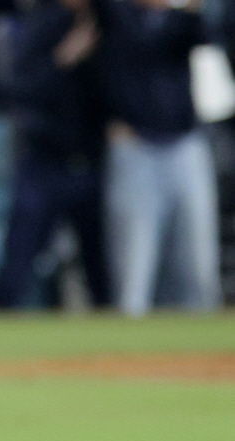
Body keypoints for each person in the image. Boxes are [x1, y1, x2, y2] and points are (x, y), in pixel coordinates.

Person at [92, 0, 221, 316]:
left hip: (186, 146)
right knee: (134, 276)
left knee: (199, 271)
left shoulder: (180, 21)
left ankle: (201, 359)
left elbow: (207, 33)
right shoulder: (116, 14)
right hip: (134, 147)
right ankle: (126, 359)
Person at [0, 0, 110, 309]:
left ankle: (111, 353)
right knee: (17, 266)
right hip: (42, 163)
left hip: (91, 162)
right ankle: (0, 338)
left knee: (101, 272)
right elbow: (18, 88)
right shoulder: (42, 24)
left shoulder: (109, 21)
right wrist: (62, 58)